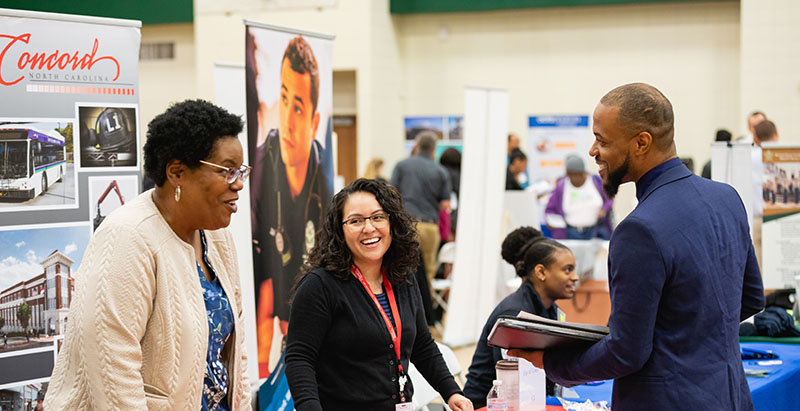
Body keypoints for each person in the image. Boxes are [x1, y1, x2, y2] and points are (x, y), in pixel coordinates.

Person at [509, 83, 765, 410]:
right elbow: (751, 298)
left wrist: (552, 364)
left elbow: (626, 352)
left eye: (602, 140)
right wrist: (689, 334)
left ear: (641, 142)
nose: (592, 151)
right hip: (731, 395)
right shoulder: (727, 198)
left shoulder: (638, 230)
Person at [44, 100, 252, 410]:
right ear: (177, 172)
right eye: (227, 171)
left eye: (241, 171)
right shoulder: (127, 237)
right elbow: (112, 372)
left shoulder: (216, 236)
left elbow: (236, 356)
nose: (238, 185)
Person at [285, 178, 472, 411]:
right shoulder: (319, 286)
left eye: (378, 217)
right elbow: (299, 360)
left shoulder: (403, 277)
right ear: (340, 231)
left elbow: (422, 345)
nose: (369, 228)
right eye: (355, 221)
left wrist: (452, 392)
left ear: (392, 223)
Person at [251, 36, 331, 375]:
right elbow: (262, 283)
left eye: (297, 106)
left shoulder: (325, 183)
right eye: (283, 99)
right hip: (272, 305)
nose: (286, 118)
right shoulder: (259, 171)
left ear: (314, 123)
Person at [463, 226, 577, 408]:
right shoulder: (514, 314)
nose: (575, 277)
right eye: (567, 270)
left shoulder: (550, 309)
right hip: (488, 404)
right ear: (541, 272)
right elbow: (514, 382)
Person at [390, 134, 451, 285]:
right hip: (430, 226)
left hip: (406, 225)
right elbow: (445, 204)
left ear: (416, 145)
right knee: (428, 273)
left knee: (401, 269)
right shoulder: (440, 171)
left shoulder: (402, 166)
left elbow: (390, 193)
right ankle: (425, 307)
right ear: (434, 149)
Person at [545, 154, 613, 240]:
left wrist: (604, 210)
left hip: (596, 232)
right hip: (570, 233)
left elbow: (609, 198)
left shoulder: (596, 181)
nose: (575, 178)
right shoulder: (561, 186)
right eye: (571, 174)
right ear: (567, 174)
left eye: (578, 174)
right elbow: (550, 209)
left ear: (584, 172)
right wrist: (552, 221)